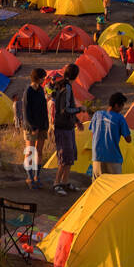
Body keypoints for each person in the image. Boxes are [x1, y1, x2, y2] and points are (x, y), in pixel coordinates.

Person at [50, 65, 83, 195]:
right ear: (76, 75)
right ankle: (56, 183)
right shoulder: (67, 88)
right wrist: (81, 110)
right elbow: (66, 109)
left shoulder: (63, 86)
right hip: (63, 127)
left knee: (70, 156)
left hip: (67, 126)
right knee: (64, 157)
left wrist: (77, 121)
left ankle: (65, 182)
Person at [21, 68, 50, 190]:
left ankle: (37, 177)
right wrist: (33, 127)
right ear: (38, 78)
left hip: (42, 126)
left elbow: (44, 109)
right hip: (31, 127)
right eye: (43, 77)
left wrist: (45, 125)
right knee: (30, 151)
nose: (44, 79)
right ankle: (29, 177)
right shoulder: (29, 91)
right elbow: (26, 112)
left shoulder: (40, 90)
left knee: (39, 151)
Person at [90, 92, 132, 176]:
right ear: (116, 105)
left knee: (98, 185)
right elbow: (128, 139)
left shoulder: (97, 115)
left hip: (97, 156)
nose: (121, 109)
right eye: (122, 106)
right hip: (113, 157)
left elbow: (93, 134)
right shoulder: (120, 118)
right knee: (115, 185)